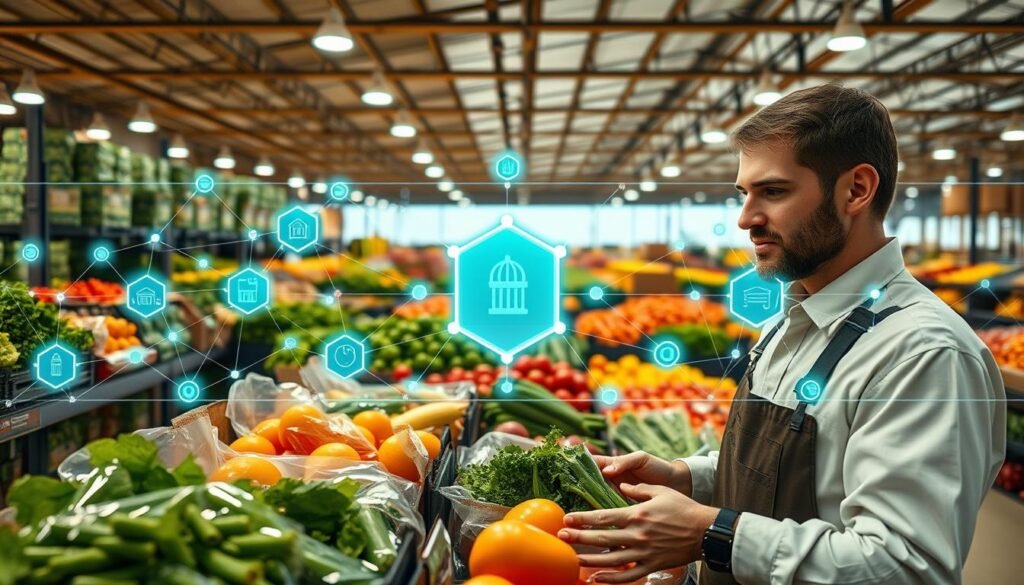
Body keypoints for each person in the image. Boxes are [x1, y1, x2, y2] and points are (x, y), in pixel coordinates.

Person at [557, 84, 1006, 584]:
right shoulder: (786, 322)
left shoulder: (923, 355)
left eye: (773, 191)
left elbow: (903, 567)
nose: (746, 218)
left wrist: (713, 535)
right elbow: (794, 478)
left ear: (857, 189)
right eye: (744, 194)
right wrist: (687, 477)